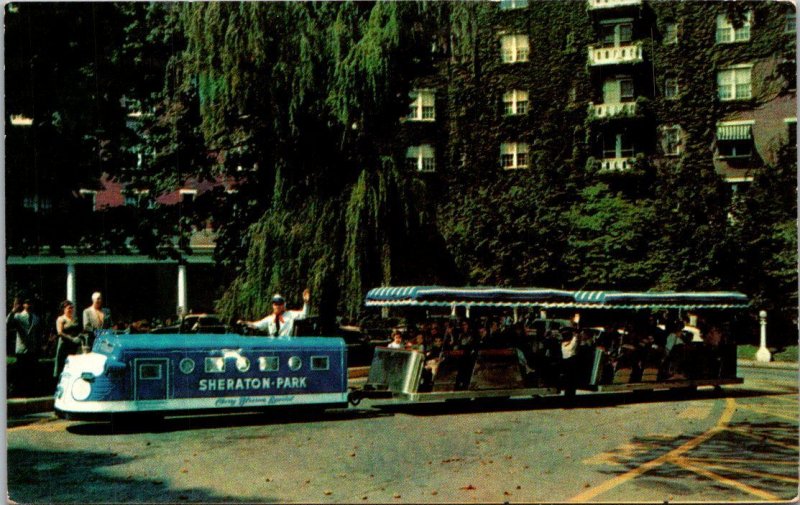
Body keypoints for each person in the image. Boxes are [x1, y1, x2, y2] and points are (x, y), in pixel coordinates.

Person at [8, 298, 43, 395]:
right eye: (27, 303)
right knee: (21, 372)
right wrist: (13, 311)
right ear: (23, 305)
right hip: (22, 349)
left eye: (30, 303)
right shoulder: (18, 316)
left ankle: (31, 391)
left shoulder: (36, 318)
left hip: (33, 349)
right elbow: (7, 323)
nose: (29, 305)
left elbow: (38, 333)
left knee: (31, 372)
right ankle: (19, 392)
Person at [239, 289, 310, 337]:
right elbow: (256, 325)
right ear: (273, 305)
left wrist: (306, 302)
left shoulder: (290, 314)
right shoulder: (269, 319)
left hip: (286, 345)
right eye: (275, 303)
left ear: (283, 305)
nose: (277, 306)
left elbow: (304, 315)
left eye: (280, 303)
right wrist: (244, 322)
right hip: (273, 345)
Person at [54, 300, 83, 378]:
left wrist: (78, 337)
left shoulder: (75, 319)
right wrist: (71, 338)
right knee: (62, 365)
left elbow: (79, 330)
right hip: (64, 345)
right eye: (69, 308)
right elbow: (59, 332)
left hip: (74, 346)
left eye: (72, 308)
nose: (71, 310)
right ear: (64, 309)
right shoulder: (61, 319)